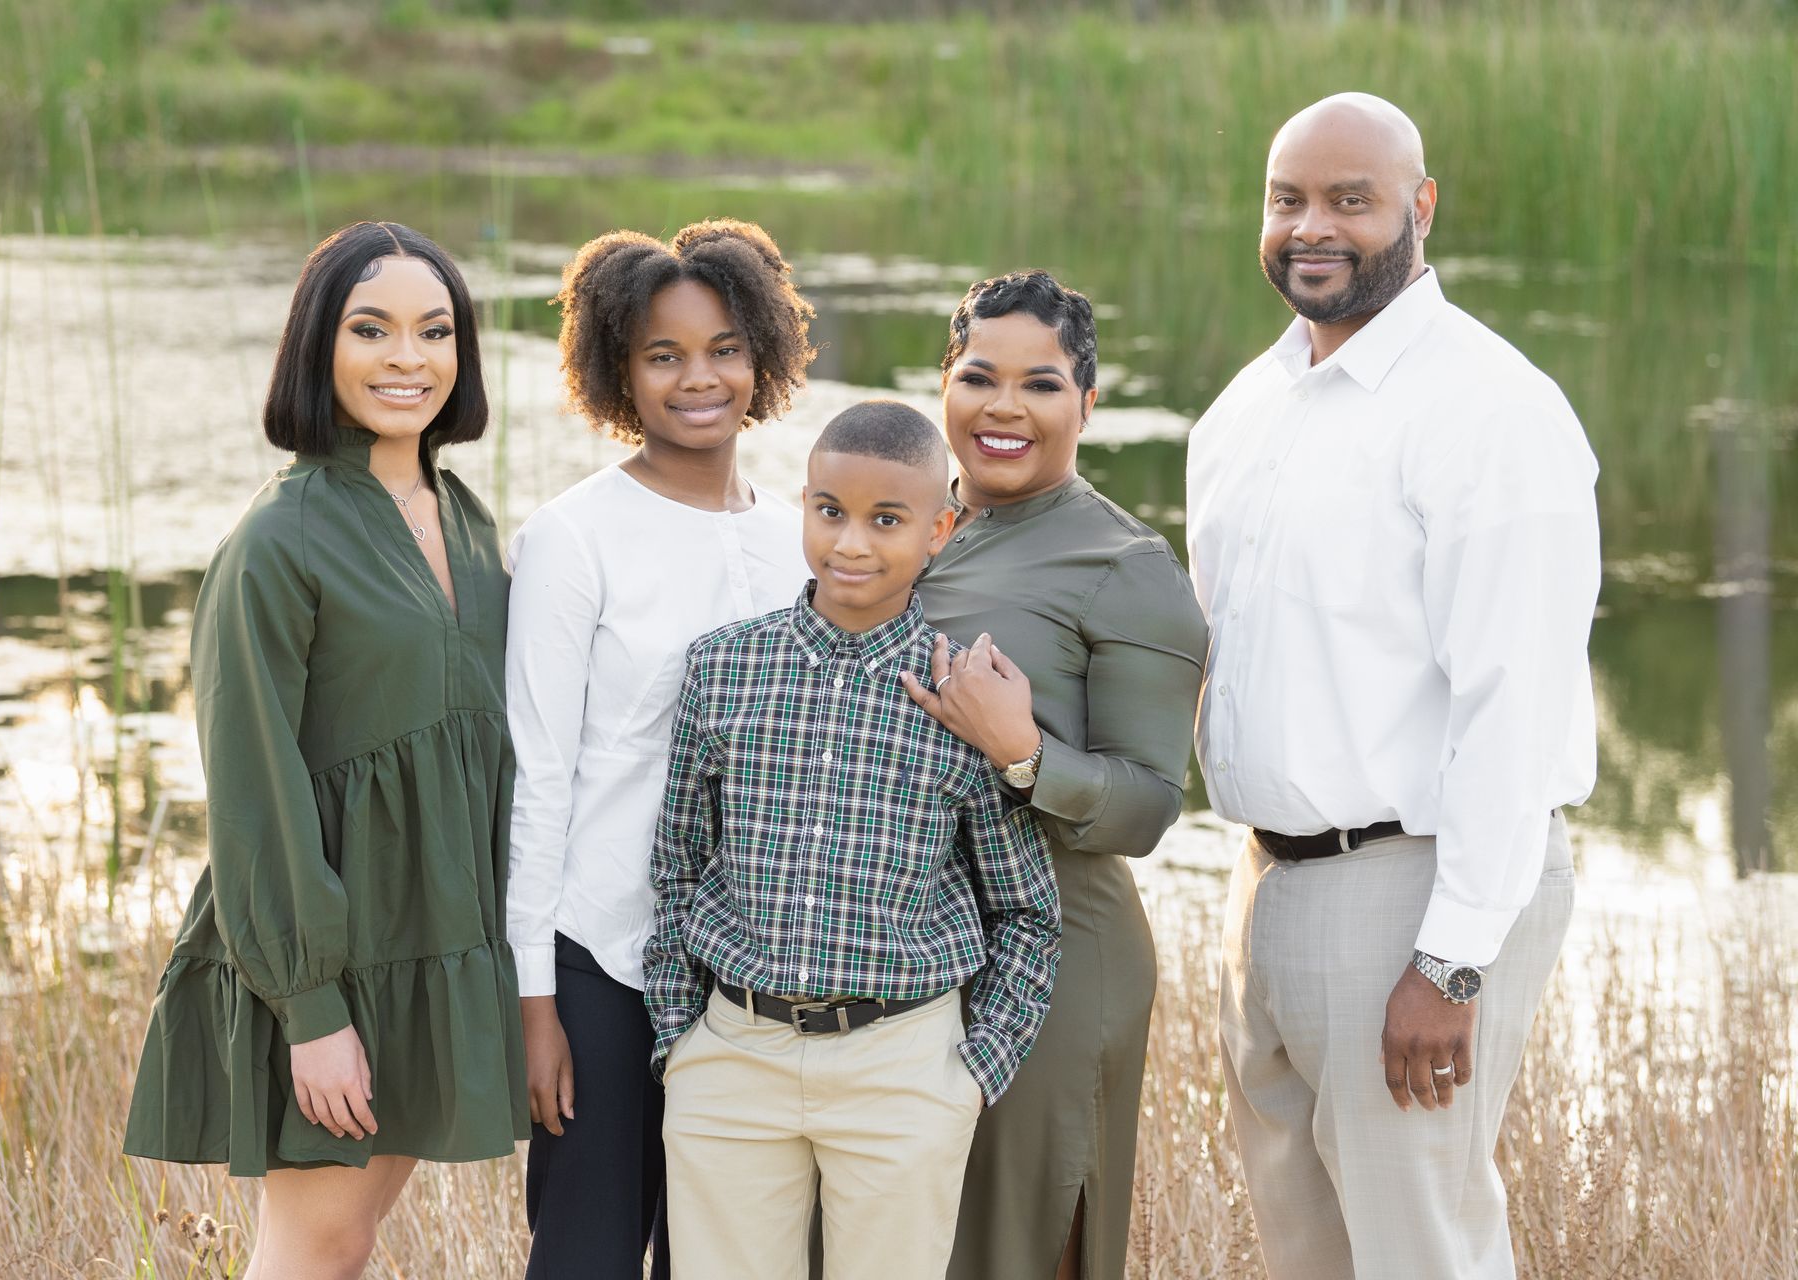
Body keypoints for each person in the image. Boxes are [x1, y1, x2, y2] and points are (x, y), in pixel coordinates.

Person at [1186, 93, 1600, 1279]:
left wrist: (1451, 959)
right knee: (1305, 1247)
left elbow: (1513, 709)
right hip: (1269, 881)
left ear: (1420, 208)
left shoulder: (1488, 409)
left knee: (1421, 1248)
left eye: (1349, 200)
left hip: (1414, 890)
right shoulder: (1247, 407)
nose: (1312, 226)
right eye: (1287, 200)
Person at [122, 222, 526, 1280]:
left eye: (435, 330)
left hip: (430, 946)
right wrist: (311, 1010)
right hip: (328, 965)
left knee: (346, 1242)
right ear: (319, 346)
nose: (408, 357)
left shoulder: (469, 521)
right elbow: (253, 782)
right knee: (317, 1244)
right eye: (372, 328)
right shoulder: (282, 535)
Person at [646, 400, 1062, 1280]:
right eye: (829, 512)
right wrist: (680, 1037)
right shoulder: (724, 667)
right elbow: (678, 863)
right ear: (802, 504)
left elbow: (1027, 910)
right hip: (733, 1059)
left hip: (903, 1069)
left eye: (887, 520)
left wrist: (972, 1074)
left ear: (940, 529)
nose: (852, 544)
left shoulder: (962, 698)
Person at [505, 218, 816, 1280]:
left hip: (750, 977)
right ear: (616, 372)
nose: (700, 377)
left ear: (763, 353)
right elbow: (540, 779)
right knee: (585, 1256)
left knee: (724, 1256)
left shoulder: (799, 537)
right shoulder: (572, 535)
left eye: (726, 347)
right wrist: (535, 1003)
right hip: (604, 961)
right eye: (663, 353)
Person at [904, 269, 1209, 1280]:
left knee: (1014, 1252)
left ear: (1087, 399)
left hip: (1055, 967)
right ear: (942, 381)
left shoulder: (1126, 566)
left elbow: (1149, 804)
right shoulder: (899, 530)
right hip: (901, 959)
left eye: (1039, 384)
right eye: (979, 375)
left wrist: (1022, 751)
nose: (1003, 406)